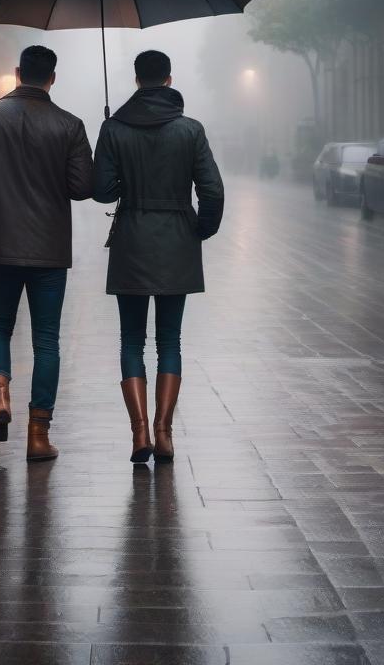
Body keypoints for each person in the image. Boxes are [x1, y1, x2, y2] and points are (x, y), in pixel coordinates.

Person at [0, 45, 93, 462]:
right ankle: (38, 435)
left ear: (17, 73)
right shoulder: (70, 125)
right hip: (48, 250)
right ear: (53, 78)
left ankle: (0, 396)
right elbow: (83, 188)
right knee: (47, 340)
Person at [93, 50, 224, 464]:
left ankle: (140, 434)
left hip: (132, 238)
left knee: (131, 339)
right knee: (170, 339)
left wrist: (112, 143)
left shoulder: (115, 127)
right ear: (169, 80)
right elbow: (213, 191)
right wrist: (199, 229)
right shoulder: (191, 130)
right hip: (176, 241)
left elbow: (102, 191)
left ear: (136, 81)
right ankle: (165, 433)